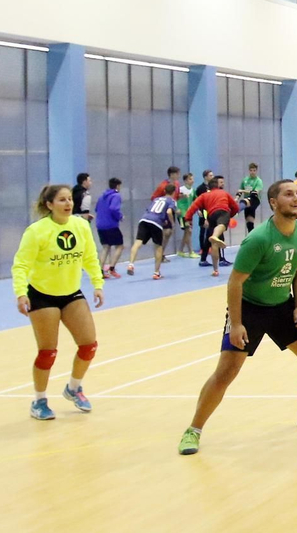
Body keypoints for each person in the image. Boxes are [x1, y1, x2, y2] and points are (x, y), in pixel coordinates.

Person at [178, 179, 297, 455]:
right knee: (226, 372)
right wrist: (237, 324)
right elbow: (235, 282)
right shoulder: (259, 239)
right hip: (249, 309)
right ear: (273, 203)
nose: (296, 199)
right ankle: (194, 429)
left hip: (283, 306)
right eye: (288, 194)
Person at [11, 184, 105, 420]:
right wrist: (21, 293)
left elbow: (90, 257)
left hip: (71, 293)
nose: (68, 203)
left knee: (89, 345)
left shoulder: (81, 226)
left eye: (70, 199)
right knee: (48, 352)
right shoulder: (36, 231)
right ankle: (39, 401)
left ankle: (73, 388)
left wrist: (97, 283)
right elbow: (21, 265)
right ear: (49, 204)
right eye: (62, 200)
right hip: (42, 295)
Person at [186, 175, 241, 277]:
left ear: (209, 187)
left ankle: (215, 270)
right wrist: (230, 215)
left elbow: (193, 207)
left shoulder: (204, 196)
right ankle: (215, 236)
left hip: (211, 215)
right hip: (223, 212)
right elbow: (235, 207)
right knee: (221, 226)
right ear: (217, 186)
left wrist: (188, 219)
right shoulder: (224, 193)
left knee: (214, 244)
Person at [127, 190, 179, 279]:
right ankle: (156, 273)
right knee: (158, 247)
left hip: (144, 220)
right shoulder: (172, 201)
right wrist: (172, 223)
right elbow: (169, 212)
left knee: (138, 242)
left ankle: (131, 264)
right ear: (173, 192)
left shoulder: (156, 199)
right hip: (156, 223)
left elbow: (151, 210)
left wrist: (163, 220)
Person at [96, 177, 125, 279]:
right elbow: (113, 208)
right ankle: (112, 268)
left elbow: (96, 209)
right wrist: (120, 216)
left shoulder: (101, 196)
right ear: (117, 186)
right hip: (111, 225)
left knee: (106, 247)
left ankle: (100, 271)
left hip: (100, 225)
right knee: (120, 246)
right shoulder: (116, 195)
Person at [174, 172, 197, 258]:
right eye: (190, 179)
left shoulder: (193, 190)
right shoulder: (180, 190)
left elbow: (196, 201)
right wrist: (177, 208)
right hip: (182, 213)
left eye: (192, 179)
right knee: (188, 231)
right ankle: (191, 251)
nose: (192, 181)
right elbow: (174, 199)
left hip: (189, 213)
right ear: (185, 181)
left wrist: (198, 210)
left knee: (187, 232)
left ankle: (180, 250)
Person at [239, 163, 265, 234]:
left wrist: (243, 191)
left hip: (255, 199)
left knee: (245, 200)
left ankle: (236, 211)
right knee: (249, 221)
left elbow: (255, 192)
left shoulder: (258, 181)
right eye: (251, 170)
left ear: (256, 171)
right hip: (247, 200)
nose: (252, 172)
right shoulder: (245, 180)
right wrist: (236, 198)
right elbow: (239, 191)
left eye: (254, 170)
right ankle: (251, 235)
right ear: (249, 171)